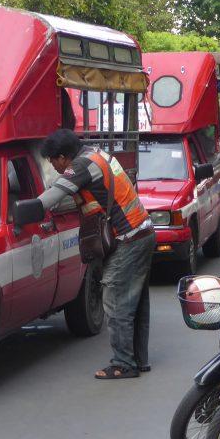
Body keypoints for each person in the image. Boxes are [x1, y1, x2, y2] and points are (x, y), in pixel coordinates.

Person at [35, 129, 155, 379]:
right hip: (141, 230)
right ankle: (138, 359)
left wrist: (25, 209)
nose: (53, 166)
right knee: (136, 301)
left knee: (115, 299)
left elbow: (51, 198)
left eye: (52, 161)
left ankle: (123, 363)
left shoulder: (80, 165)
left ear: (63, 157)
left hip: (128, 238)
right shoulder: (97, 155)